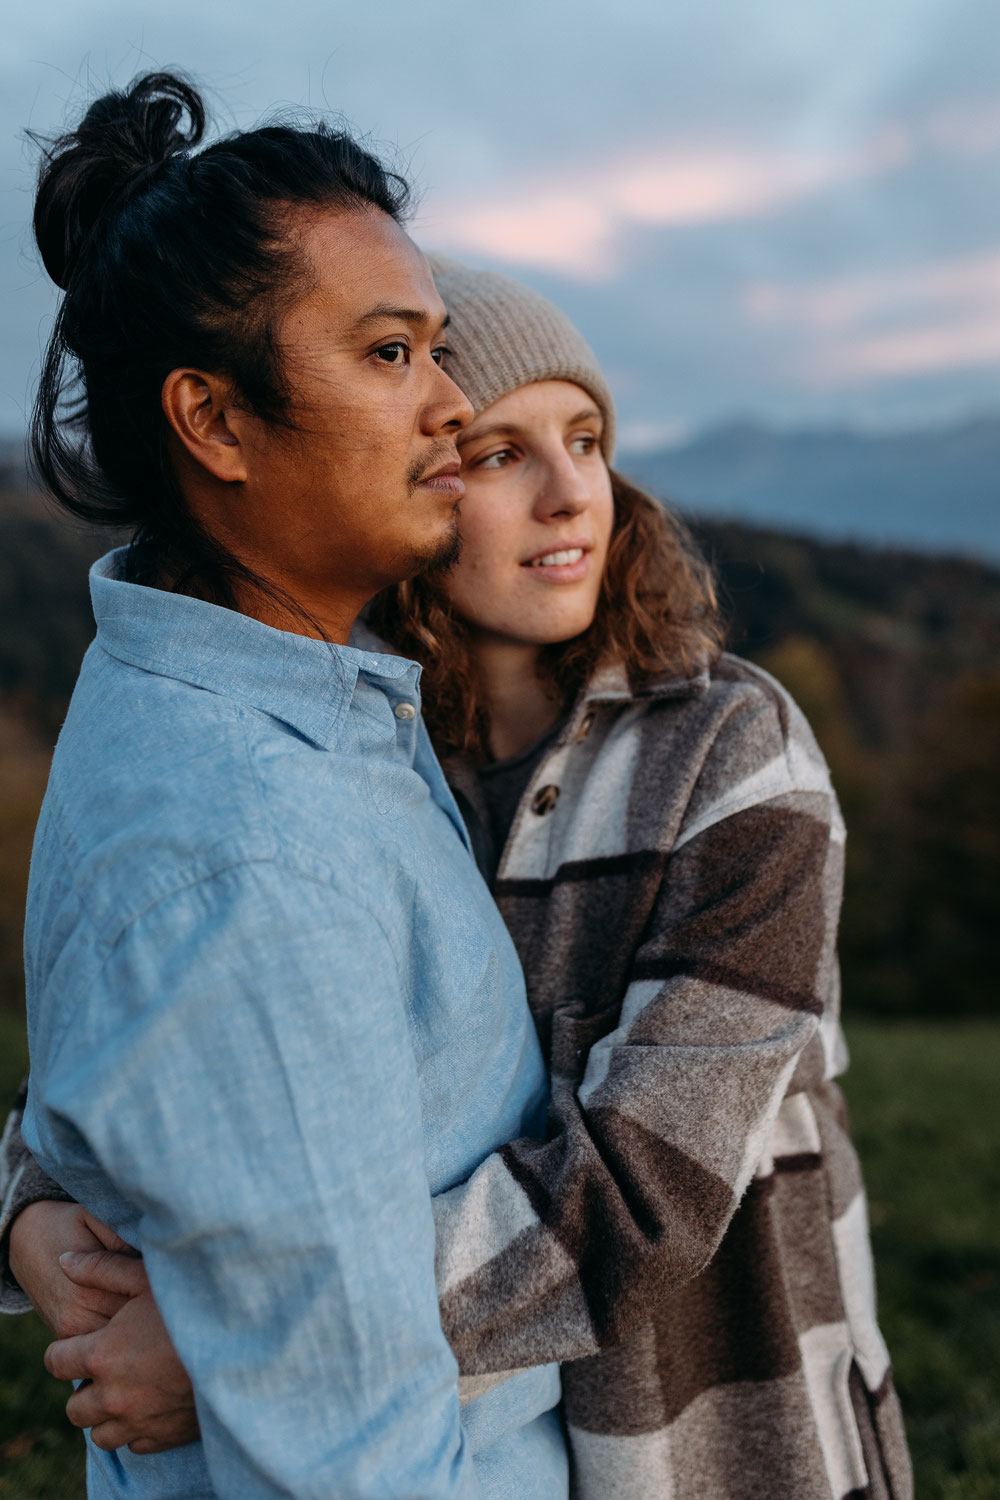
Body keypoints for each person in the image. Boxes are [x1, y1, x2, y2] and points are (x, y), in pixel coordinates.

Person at [5, 253, 913, 1499]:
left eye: (586, 439)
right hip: (487, 1449)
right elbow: (171, 1031)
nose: (569, 496)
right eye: (499, 454)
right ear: (424, 479)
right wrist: (33, 1211)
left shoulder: (733, 753)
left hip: (711, 1432)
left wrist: (255, 1337)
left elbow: (654, 1178)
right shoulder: (352, 758)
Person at [1, 75, 572, 1499]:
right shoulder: (249, 841)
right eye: (391, 353)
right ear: (217, 423)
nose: (456, 408)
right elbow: (347, 1464)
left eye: (438, 347)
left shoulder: (299, 698)